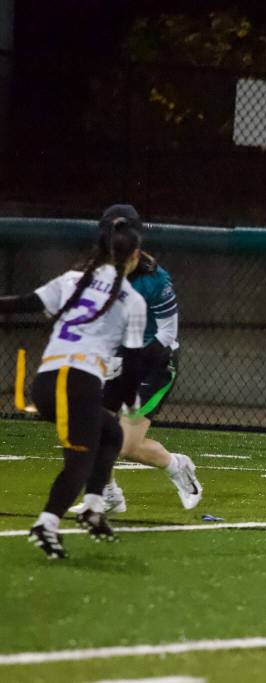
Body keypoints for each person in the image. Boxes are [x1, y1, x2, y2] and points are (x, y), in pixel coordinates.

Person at [0, 207, 148, 559]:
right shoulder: (134, 301)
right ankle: (46, 524)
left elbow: (21, 304)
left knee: (110, 433)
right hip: (75, 383)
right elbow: (133, 366)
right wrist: (131, 402)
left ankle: (93, 508)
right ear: (136, 255)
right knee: (79, 461)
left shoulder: (71, 280)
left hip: (49, 381)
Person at [70, 205, 202, 513]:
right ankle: (107, 494)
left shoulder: (155, 280)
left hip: (153, 365)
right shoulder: (95, 271)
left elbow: (168, 334)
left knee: (127, 446)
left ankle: (176, 466)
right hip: (114, 361)